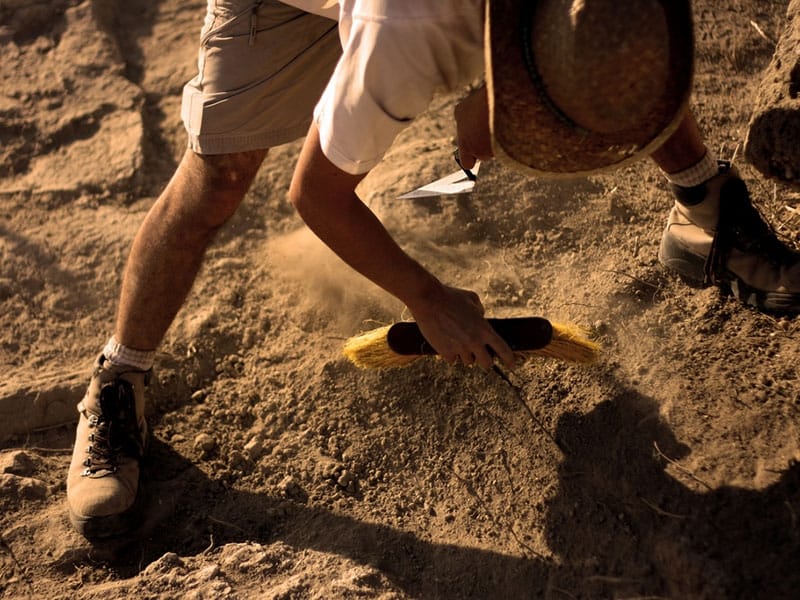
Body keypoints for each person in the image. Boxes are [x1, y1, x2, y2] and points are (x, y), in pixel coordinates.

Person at [67, 0, 800, 540]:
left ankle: (704, 208)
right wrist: (428, 297)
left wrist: (491, 93)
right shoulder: (407, 35)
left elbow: (629, 60)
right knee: (220, 179)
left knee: (617, 65)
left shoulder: (569, 21)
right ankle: (118, 378)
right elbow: (313, 194)